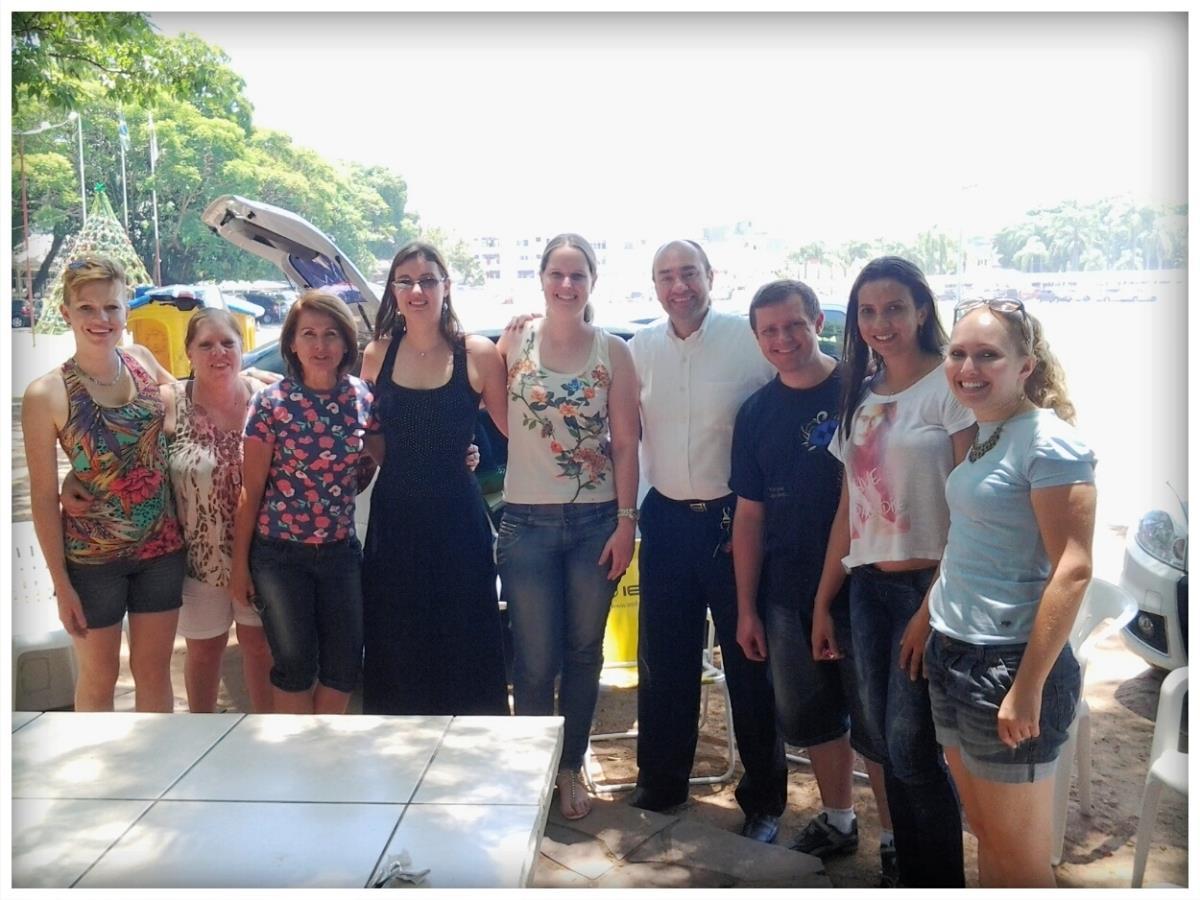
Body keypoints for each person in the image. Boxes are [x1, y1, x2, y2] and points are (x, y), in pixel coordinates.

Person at [810, 256, 973, 887]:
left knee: (912, 752)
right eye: (868, 311)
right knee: (880, 744)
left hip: (926, 587)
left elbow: (971, 510)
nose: (881, 323)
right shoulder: (861, 391)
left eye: (895, 308)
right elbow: (849, 508)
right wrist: (826, 601)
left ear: (922, 310)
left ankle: (938, 880)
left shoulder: (951, 387)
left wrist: (930, 608)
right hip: (866, 589)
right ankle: (911, 870)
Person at [926, 299, 1095, 887]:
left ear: (1025, 365)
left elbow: (1072, 569)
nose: (968, 367)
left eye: (988, 355)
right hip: (953, 656)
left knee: (1021, 862)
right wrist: (928, 618)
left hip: (1005, 667)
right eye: (958, 353)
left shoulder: (1049, 443)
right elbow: (972, 543)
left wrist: (1027, 688)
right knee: (989, 838)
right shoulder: (987, 434)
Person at [730, 280, 895, 882]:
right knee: (814, 719)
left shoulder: (865, 390)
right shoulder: (755, 413)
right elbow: (749, 516)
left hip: (868, 589)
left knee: (877, 724)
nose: (783, 339)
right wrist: (746, 607)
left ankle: (897, 837)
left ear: (818, 321)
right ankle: (839, 820)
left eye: (794, 325)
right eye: (769, 330)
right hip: (785, 591)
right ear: (756, 338)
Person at [627, 239, 786, 843]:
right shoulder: (637, 349)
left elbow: (799, 392)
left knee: (750, 662)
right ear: (655, 284)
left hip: (736, 521)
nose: (679, 286)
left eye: (688, 273)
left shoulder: (750, 340)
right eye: (666, 276)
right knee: (663, 662)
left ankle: (765, 801)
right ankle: (662, 783)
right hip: (665, 518)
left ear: (710, 276)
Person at [61, 308, 277, 713]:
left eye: (227, 343)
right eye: (206, 344)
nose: (218, 353)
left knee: (259, 649)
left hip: (261, 557)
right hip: (197, 560)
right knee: (204, 654)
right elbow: (111, 447)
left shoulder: (267, 399)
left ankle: (264, 740)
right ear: (189, 354)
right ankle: (200, 740)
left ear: (242, 348)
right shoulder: (169, 401)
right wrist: (73, 478)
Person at [495, 233, 639, 820]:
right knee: (532, 661)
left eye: (578, 275)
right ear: (542, 277)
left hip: (594, 522)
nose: (566, 284)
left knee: (583, 655)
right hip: (525, 523)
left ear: (591, 283)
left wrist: (626, 522)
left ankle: (570, 767)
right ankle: (533, 771)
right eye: (558, 273)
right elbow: (502, 421)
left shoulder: (613, 352)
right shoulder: (512, 342)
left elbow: (626, 445)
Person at [21, 254, 185, 712]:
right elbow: (41, 497)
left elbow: (181, 400)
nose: (101, 319)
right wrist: (61, 584)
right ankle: (95, 783)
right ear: (66, 313)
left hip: (162, 550)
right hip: (93, 563)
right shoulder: (47, 393)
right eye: (87, 308)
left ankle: (156, 776)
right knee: (100, 678)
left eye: (111, 307)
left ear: (125, 311)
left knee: (155, 673)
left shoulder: (142, 361)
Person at [357, 241, 510, 717]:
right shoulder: (376, 355)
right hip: (395, 520)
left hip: (458, 523)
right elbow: (372, 439)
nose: (416, 290)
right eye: (405, 281)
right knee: (398, 640)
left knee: (466, 637)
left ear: (446, 286)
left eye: (427, 279)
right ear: (393, 290)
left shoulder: (478, 353)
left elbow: (512, 434)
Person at [229, 290, 374, 715]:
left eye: (331, 334)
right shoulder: (272, 404)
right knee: (293, 667)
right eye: (308, 334)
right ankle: (294, 770)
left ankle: (324, 763)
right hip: (280, 556)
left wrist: (463, 454)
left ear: (347, 342)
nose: (320, 345)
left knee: (344, 667)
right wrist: (240, 567)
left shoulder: (363, 399)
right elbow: (249, 491)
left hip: (340, 553)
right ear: (291, 343)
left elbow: (390, 454)